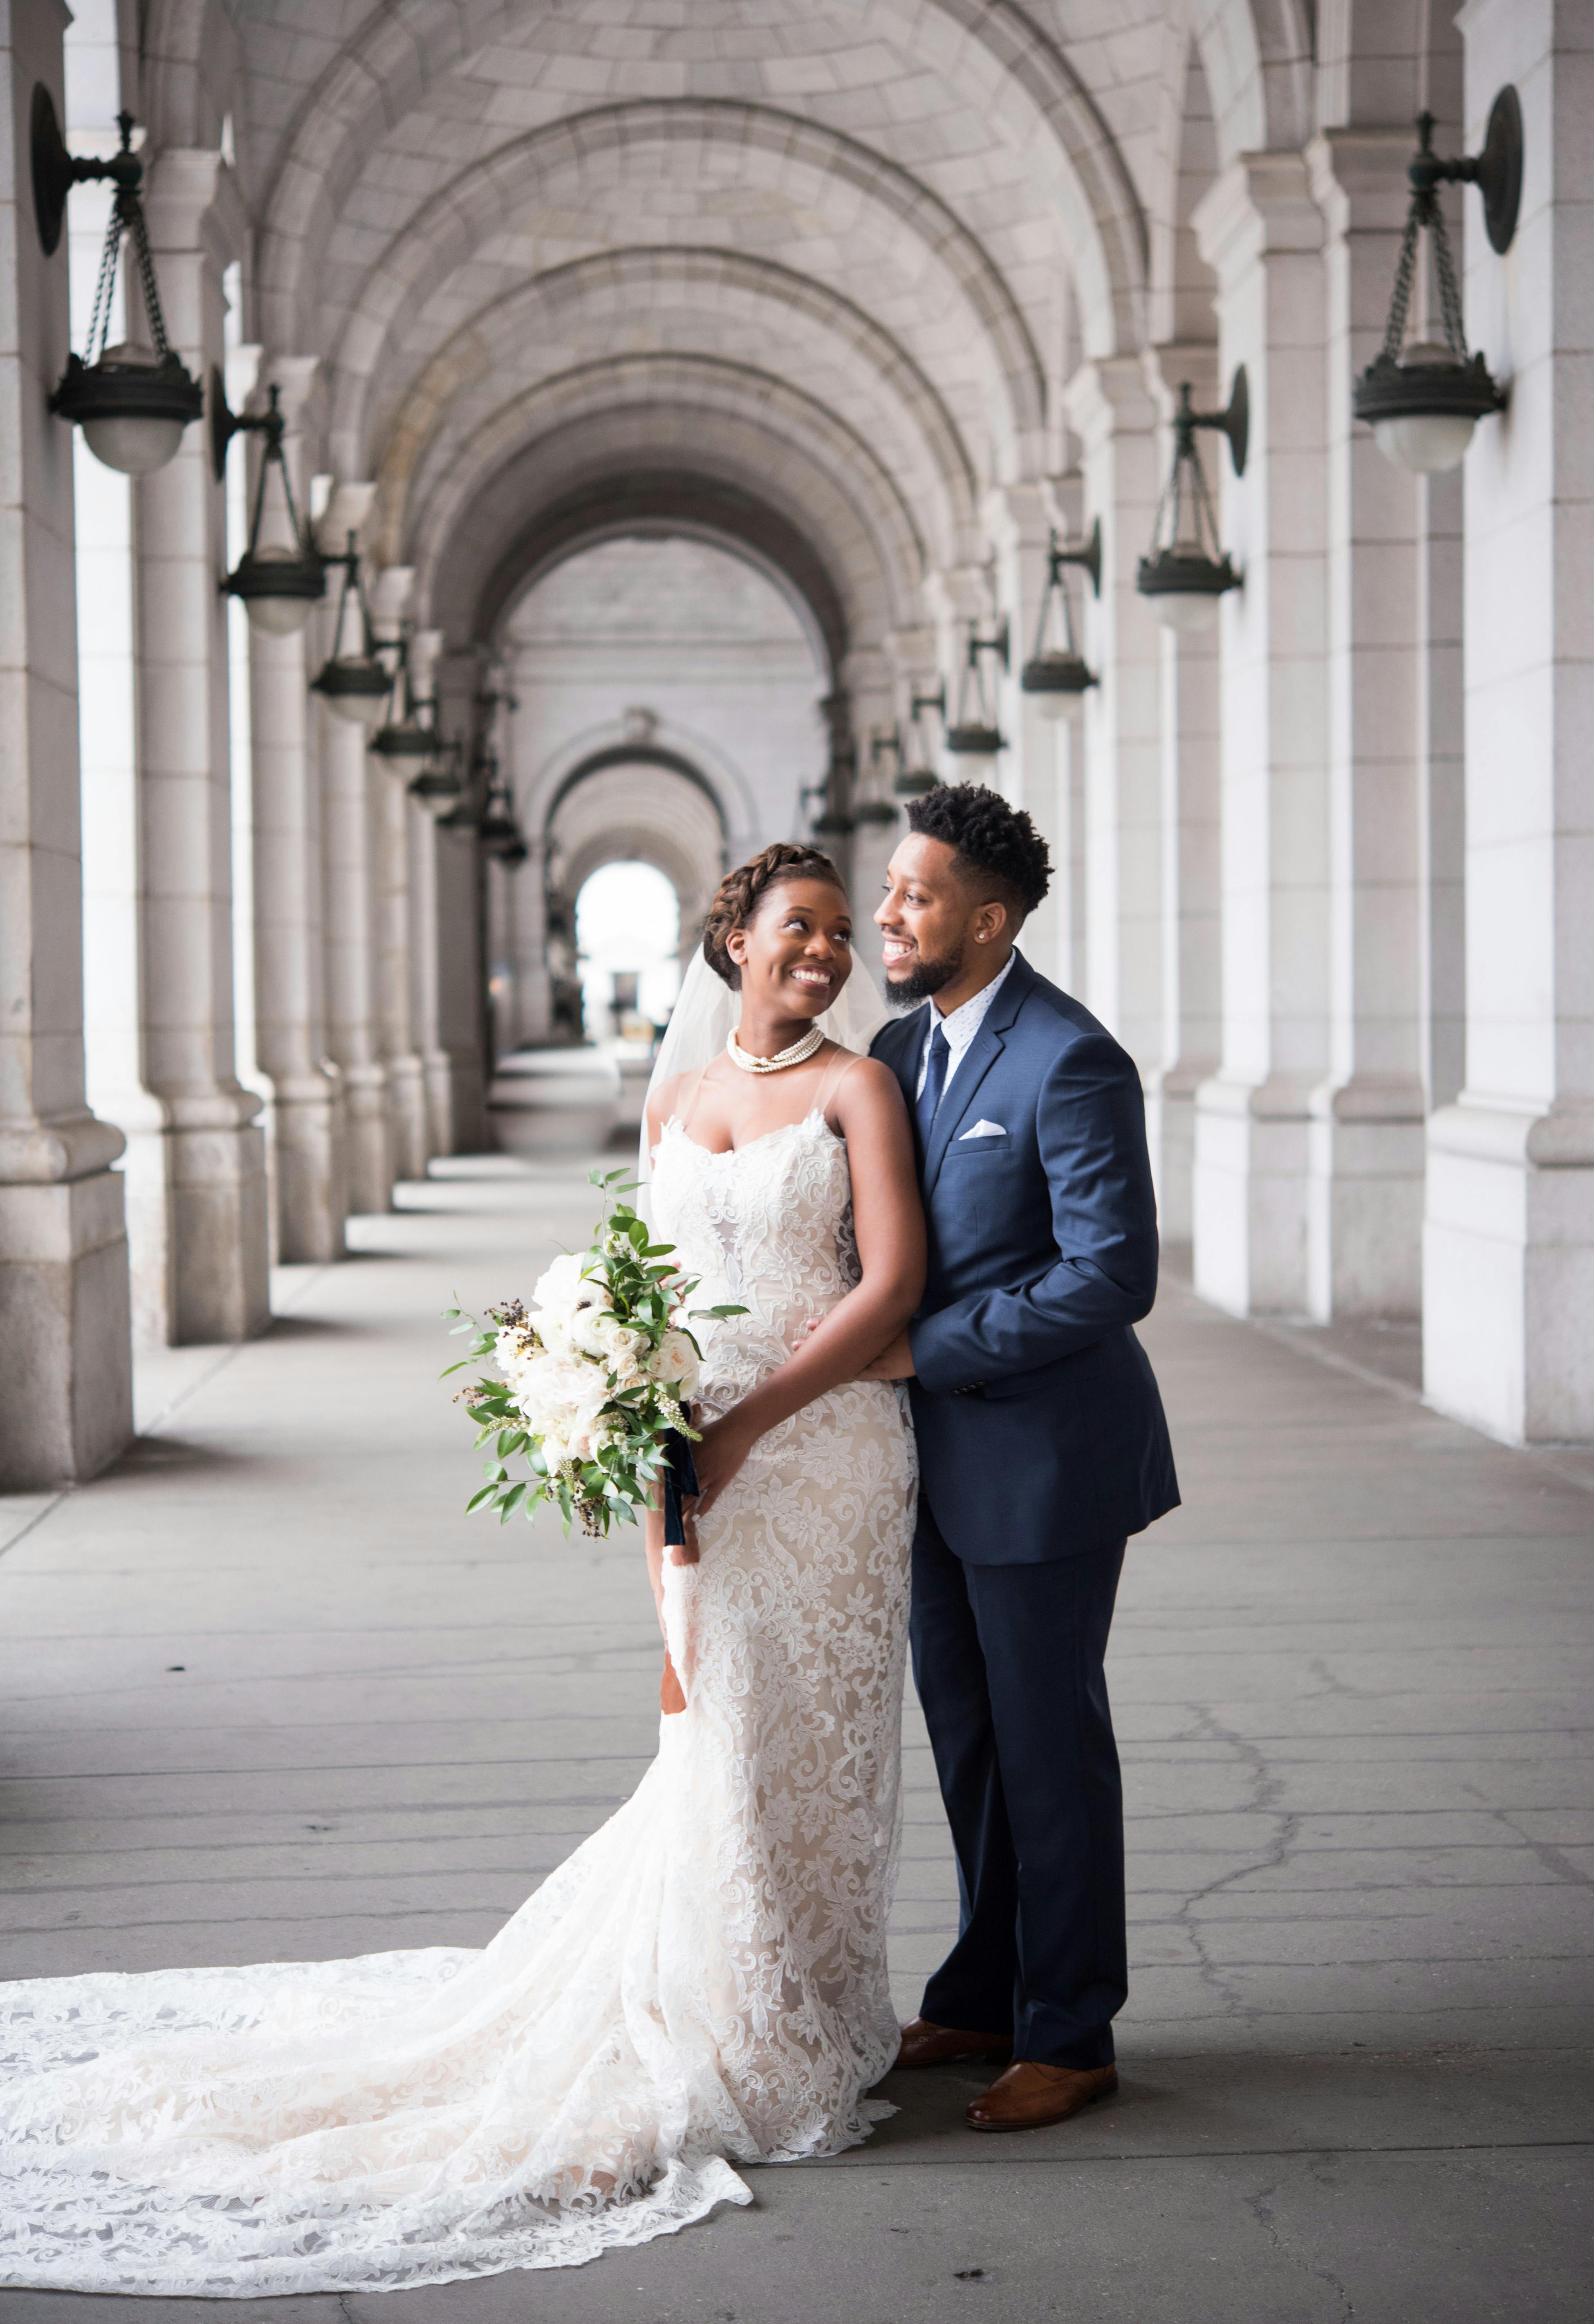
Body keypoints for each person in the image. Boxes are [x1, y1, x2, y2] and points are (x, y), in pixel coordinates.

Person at [0, 844, 926, 2296]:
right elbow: (647, 1306)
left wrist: (744, 1423)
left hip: (827, 1454)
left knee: (817, 1740)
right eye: (795, 928)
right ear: (733, 937)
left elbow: (892, 1285)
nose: (823, 952)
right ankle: (725, 2009)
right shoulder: (675, 1101)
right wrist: (656, 1453)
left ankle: (800, 2004)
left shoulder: (857, 1087)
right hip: (696, 1451)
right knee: (712, 1731)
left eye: (835, 933)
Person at [866, 780, 1178, 2133]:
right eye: (891, 886)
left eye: (916, 895)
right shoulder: (894, 1043)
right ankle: (983, 1986)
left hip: (1046, 1460)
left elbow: (1114, 1274)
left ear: (988, 922)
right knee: (972, 1738)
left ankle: (1073, 2025)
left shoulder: (1072, 1056)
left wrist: (926, 1350)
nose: (889, 911)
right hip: (923, 1467)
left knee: (1051, 1743)